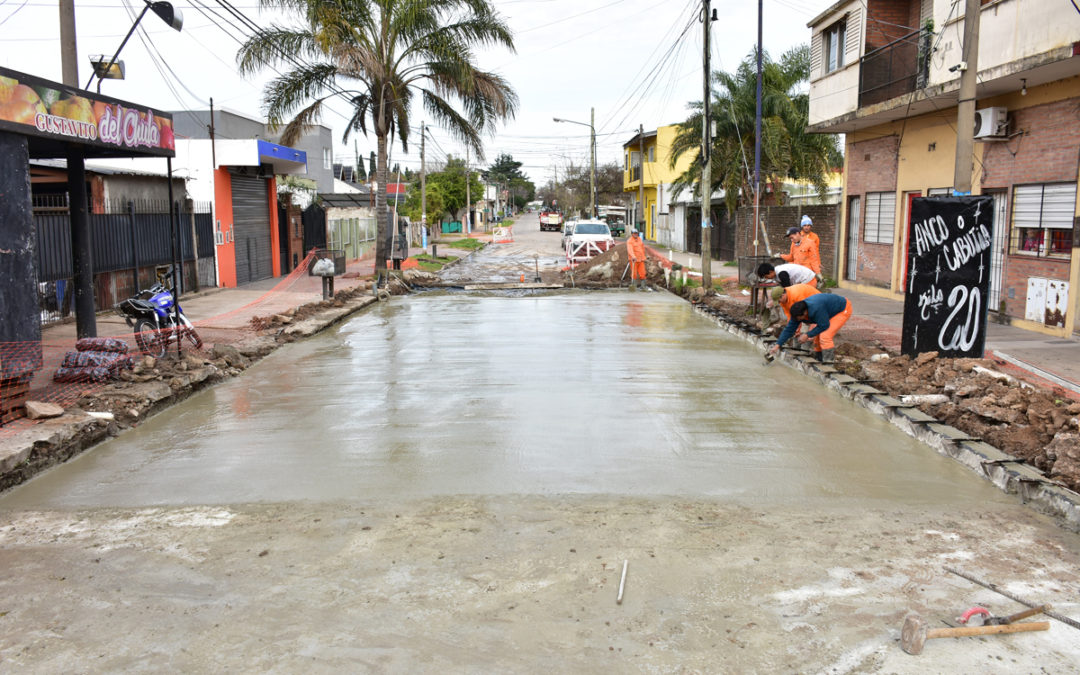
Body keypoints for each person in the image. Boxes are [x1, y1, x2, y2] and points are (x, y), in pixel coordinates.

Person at [768, 292, 853, 363]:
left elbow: (824, 325)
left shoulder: (816, 309)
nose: (798, 320)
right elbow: (789, 329)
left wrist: (807, 334)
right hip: (827, 310)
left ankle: (828, 363)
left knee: (825, 336)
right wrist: (777, 345)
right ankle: (819, 359)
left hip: (842, 309)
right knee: (817, 337)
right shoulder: (797, 313)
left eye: (799, 319)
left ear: (805, 313)